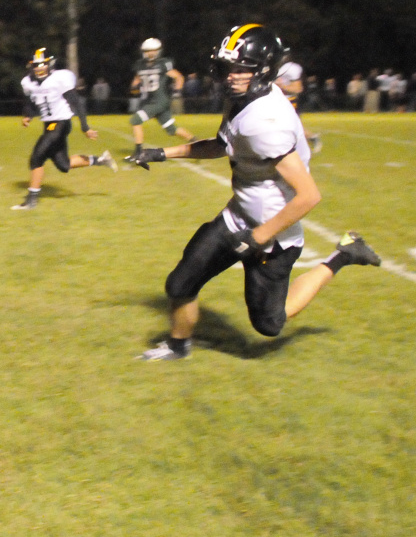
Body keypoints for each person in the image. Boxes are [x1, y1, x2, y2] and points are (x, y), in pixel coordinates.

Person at [125, 24, 381, 361]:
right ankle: (178, 345)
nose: (230, 76)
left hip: (272, 234)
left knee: (269, 324)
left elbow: (309, 195)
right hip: (237, 216)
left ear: (263, 71)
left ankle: (344, 254)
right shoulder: (244, 100)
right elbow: (221, 145)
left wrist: (258, 236)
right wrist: (161, 153)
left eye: (240, 69)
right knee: (180, 284)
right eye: (228, 67)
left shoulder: (267, 121)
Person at [12, 48, 117, 210]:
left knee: (36, 157)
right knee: (64, 165)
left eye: (43, 64)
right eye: (37, 65)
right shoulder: (29, 82)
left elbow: (76, 103)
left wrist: (85, 127)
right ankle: (100, 160)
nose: (40, 68)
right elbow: (33, 102)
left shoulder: (59, 78)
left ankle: (31, 200)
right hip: (49, 124)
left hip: (60, 122)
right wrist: (28, 115)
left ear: (49, 64)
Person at [128, 38, 194, 157]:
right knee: (171, 129)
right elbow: (136, 82)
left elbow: (178, 77)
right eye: (148, 51)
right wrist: (134, 89)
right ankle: (196, 142)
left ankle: (138, 152)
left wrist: (177, 91)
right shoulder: (140, 65)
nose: (151, 53)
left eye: (154, 50)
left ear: (158, 51)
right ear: (143, 52)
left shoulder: (163, 63)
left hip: (159, 100)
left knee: (135, 120)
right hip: (149, 100)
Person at [275, 57, 321, 152]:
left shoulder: (290, 68)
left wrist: (280, 86)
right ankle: (312, 138)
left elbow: (298, 89)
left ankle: (310, 139)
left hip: (289, 101)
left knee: (291, 127)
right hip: (276, 101)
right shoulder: (271, 68)